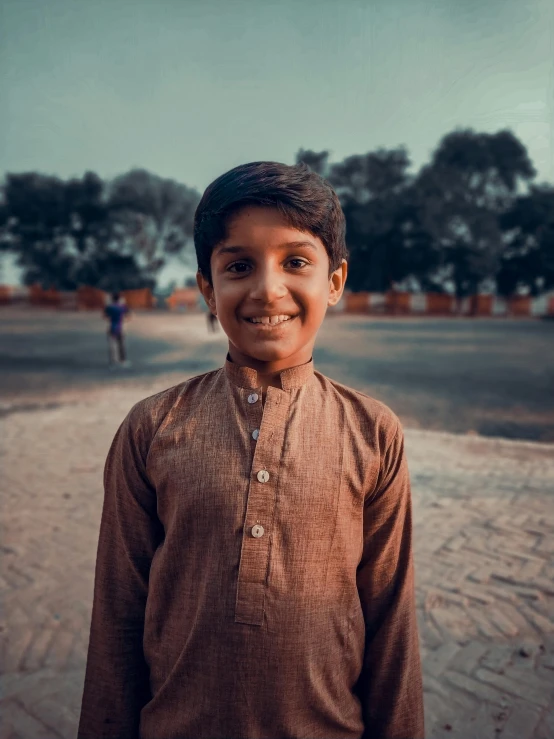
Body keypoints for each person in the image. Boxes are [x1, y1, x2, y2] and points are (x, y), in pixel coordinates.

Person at [78, 162, 424, 739]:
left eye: (296, 261)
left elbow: (391, 623)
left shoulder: (373, 433)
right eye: (239, 266)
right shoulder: (152, 428)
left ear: (334, 281)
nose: (268, 288)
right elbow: (117, 615)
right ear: (208, 289)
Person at [103, 291, 130, 367]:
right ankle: (123, 360)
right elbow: (128, 317)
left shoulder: (109, 307)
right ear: (120, 299)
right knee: (121, 344)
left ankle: (113, 360)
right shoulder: (122, 306)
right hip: (120, 327)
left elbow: (105, 316)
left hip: (112, 326)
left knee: (112, 345)